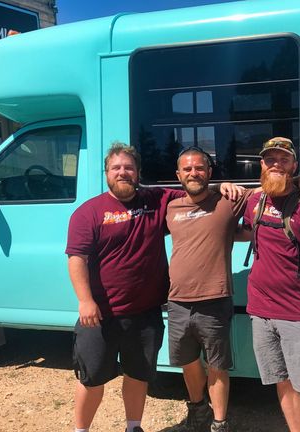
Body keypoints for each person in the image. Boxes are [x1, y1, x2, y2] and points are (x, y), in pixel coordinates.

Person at [66, 142, 240, 432]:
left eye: (129, 167)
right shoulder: (89, 213)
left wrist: (223, 184)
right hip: (100, 315)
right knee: (91, 378)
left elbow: (196, 188)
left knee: (138, 375)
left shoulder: (157, 201)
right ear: (107, 173)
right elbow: (76, 259)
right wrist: (85, 300)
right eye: (116, 168)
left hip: (145, 314)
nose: (123, 172)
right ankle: (80, 430)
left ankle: (133, 427)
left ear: (138, 173)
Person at [165, 146, 300, 432]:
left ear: (210, 172)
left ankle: (220, 422)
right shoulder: (171, 205)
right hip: (177, 301)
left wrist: (297, 180)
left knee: (217, 365)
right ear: (178, 175)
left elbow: (269, 188)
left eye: (200, 168)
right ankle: (197, 411)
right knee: (187, 362)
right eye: (187, 169)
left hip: (214, 297)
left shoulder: (227, 200)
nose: (193, 173)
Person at [240, 137, 300, 432]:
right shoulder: (255, 201)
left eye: (283, 160)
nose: (276, 164)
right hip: (260, 312)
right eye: (270, 160)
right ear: (262, 165)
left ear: (294, 165)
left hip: (297, 315)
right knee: (282, 381)